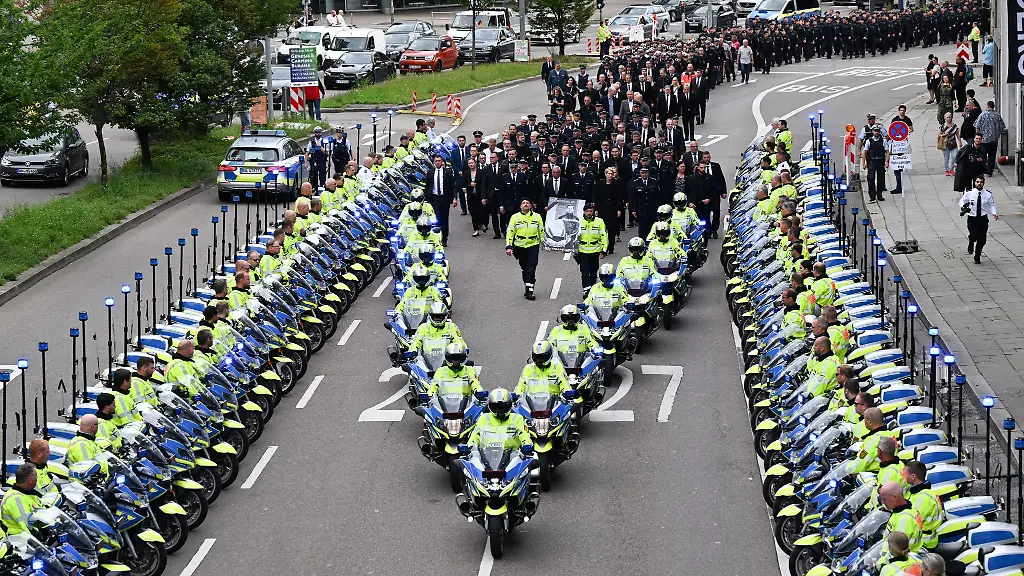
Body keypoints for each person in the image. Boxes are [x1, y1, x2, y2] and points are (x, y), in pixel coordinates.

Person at [506, 198, 544, 300]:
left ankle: (529, 290)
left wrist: (545, 243)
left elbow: (541, 230)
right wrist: (508, 246)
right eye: (523, 203)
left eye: (527, 203)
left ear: (531, 206)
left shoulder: (537, 217)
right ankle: (528, 283)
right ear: (520, 206)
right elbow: (510, 232)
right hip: (520, 246)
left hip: (533, 245)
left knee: (532, 266)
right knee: (525, 268)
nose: (526, 204)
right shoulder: (515, 217)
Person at [903, 460, 944, 549]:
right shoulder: (923, 492)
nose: (903, 477)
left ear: (913, 477)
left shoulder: (922, 499)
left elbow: (912, 523)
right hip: (924, 539)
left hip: (922, 543)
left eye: (905, 474)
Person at [959, 174, 998, 264]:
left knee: (982, 240)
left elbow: (991, 204)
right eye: (977, 182)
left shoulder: (988, 194)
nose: (979, 184)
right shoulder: (969, 193)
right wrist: (963, 207)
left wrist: (994, 213)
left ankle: (977, 255)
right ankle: (971, 241)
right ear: (974, 183)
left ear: (984, 182)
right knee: (974, 234)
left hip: (983, 219)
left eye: (981, 182)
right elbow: (962, 201)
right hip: (972, 218)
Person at [879, 481, 924, 556]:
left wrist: (882, 563)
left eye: (885, 499)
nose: (883, 502)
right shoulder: (902, 511)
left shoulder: (904, 520)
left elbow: (897, 551)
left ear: (895, 497)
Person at [0, 463, 41, 535]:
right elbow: (27, 526)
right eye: (36, 477)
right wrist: (40, 535)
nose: (37, 479)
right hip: (18, 541)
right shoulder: (15, 499)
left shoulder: (28, 494)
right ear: (30, 479)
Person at [424, 155, 456, 247]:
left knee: (444, 218)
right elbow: (427, 186)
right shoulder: (430, 172)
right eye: (436, 161)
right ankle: (436, 237)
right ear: (434, 162)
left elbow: (453, 186)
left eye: (439, 161)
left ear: (442, 162)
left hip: (444, 198)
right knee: (436, 218)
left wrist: (454, 198)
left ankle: (444, 238)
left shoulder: (448, 172)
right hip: (434, 198)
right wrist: (426, 199)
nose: (438, 162)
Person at [576, 203, 608, 292]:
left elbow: (604, 236)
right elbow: (573, 236)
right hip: (582, 251)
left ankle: (593, 289)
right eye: (587, 211)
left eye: (590, 211)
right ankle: (586, 290)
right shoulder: (579, 221)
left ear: (593, 212)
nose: (589, 213)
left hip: (595, 251)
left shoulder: (599, 221)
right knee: (585, 272)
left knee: (593, 273)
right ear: (584, 212)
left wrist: (604, 250)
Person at [974, 101, 1006, 172]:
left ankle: (983, 169)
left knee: (983, 155)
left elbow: (977, 126)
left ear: (987, 106)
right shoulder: (997, 115)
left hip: (984, 140)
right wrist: (997, 133)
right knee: (992, 156)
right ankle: (990, 170)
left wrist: (978, 135)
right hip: (994, 140)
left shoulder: (982, 115)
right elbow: (1002, 127)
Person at [862, 125, 890, 202]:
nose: (877, 132)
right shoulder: (869, 141)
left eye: (878, 131)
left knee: (881, 179)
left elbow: (887, 151)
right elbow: (864, 152)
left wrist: (887, 161)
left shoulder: (883, 141)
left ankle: (879, 195)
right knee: (871, 178)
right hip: (871, 162)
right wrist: (863, 163)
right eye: (875, 131)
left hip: (880, 162)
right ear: (872, 132)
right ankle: (872, 196)